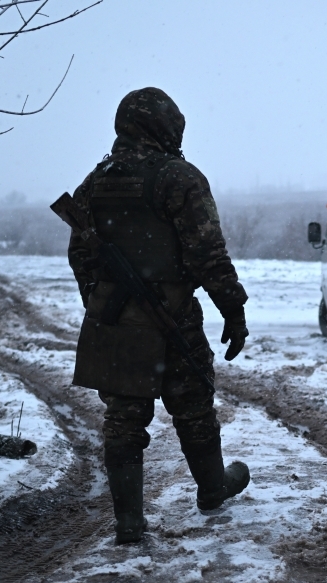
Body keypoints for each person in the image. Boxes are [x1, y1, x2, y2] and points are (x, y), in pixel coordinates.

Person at [66, 87, 251, 544]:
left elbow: (80, 255)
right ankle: (213, 488)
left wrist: (104, 302)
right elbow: (208, 253)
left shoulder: (95, 181)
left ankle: (129, 521)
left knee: (124, 418)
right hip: (173, 315)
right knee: (193, 403)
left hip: (115, 321)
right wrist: (233, 308)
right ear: (166, 126)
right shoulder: (178, 178)